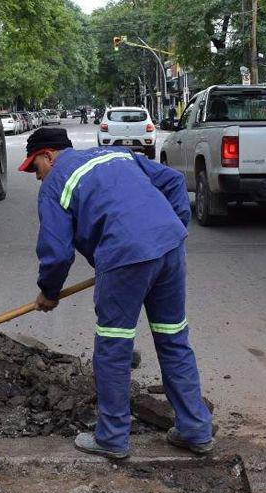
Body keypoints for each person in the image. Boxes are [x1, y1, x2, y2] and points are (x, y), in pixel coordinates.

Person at [19, 127, 213, 460]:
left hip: (124, 257)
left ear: (48, 155)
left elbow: (57, 253)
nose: (37, 177)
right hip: (169, 248)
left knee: (114, 346)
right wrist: (174, 227)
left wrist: (49, 291)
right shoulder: (118, 154)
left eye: (35, 167)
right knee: (173, 338)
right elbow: (173, 181)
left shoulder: (55, 184)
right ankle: (196, 430)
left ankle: (112, 437)